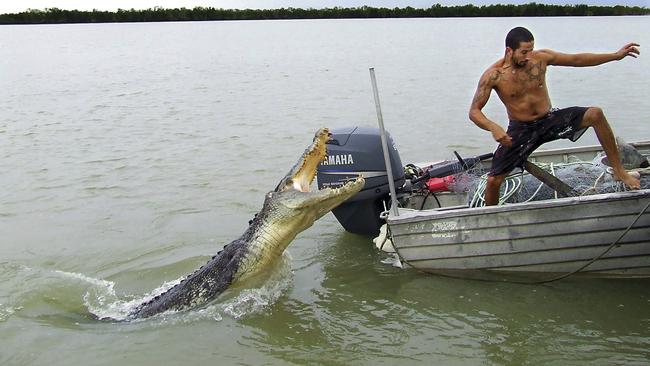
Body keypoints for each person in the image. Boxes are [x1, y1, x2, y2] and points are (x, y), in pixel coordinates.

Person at [469, 26, 641, 206]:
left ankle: (620, 172)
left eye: (531, 50)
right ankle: (492, 216)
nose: (528, 56)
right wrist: (493, 127)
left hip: (549, 119)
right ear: (509, 51)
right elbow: (474, 111)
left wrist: (615, 55)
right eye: (524, 52)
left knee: (595, 114)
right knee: (493, 181)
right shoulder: (493, 75)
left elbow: (577, 59)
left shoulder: (541, 58)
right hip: (521, 129)